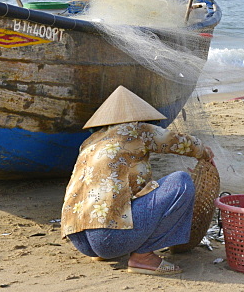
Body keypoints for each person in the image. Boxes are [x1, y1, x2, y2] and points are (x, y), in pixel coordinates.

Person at [61, 86, 214, 275]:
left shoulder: (90, 142)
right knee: (181, 181)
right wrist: (203, 152)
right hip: (109, 238)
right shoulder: (135, 129)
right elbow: (176, 141)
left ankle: (107, 250)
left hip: (80, 240)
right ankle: (143, 257)